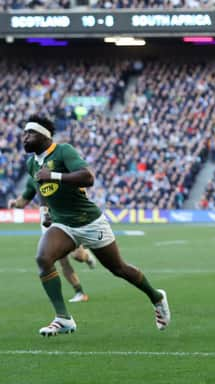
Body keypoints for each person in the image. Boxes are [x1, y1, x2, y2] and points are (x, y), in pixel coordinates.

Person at [9, 115, 170, 336]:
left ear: (45, 136)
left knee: (118, 269)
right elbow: (40, 186)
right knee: (43, 258)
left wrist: (54, 175)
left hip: (89, 221)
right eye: (24, 133)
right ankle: (63, 318)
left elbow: (88, 178)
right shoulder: (31, 163)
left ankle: (157, 297)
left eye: (30, 133)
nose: (24, 137)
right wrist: (46, 211)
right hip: (62, 224)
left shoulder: (64, 151)